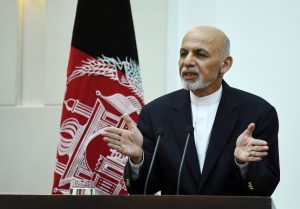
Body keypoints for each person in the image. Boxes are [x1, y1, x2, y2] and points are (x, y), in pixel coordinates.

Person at [101, 26, 280, 196]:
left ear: (225, 64)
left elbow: (264, 189)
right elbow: (142, 190)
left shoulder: (258, 113)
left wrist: (244, 164)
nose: (187, 62)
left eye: (200, 54)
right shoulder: (156, 113)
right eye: (183, 53)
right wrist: (138, 159)